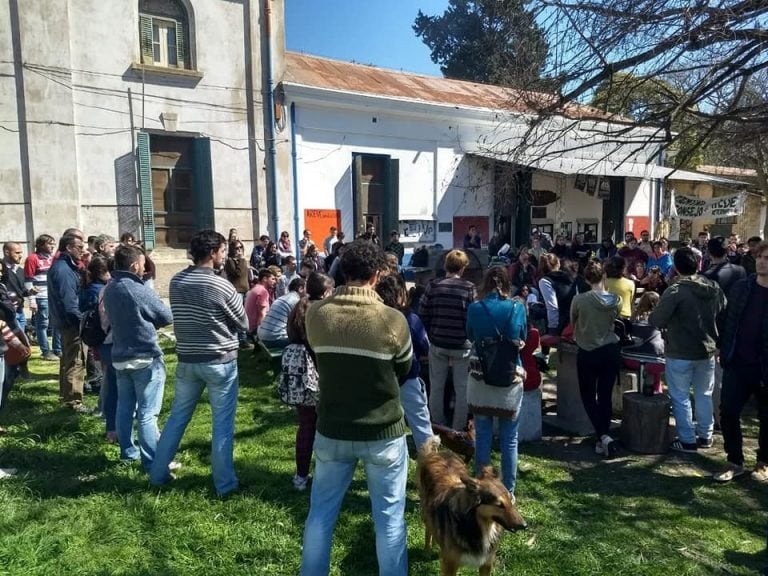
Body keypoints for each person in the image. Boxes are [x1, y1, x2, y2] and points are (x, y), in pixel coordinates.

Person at [299, 240, 412, 576]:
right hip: (383, 431)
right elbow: (404, 370)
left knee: (320, 513)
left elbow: (319, 356)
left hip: (332, 428)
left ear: (342, 271)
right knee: (389, 519)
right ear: (378, 275)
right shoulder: (393, 320)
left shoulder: (317, 314)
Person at [150, 230, 248, 497]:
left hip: (187, 359)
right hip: (220, 362)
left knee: (176, 419)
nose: (225, 256)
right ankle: (225, 484)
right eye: (223, 251)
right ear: (214, 252)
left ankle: (158, 474)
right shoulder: (221, 285)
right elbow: (243, 322)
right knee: (222, 424)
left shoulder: (176, 281)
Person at [103, 245, 173, 471]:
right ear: (134, 265)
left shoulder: (111, 286)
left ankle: (128, 453)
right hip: (143, 356)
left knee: (125, 408)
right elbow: (165, 316)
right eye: (143, 264)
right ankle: (153, 461)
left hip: (120, 356)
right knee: (147, 413)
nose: (145, 268)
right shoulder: (136, 288)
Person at [650, 247, 725, 453]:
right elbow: (723, 310)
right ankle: (705, 434)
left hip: (681, 351)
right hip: (707, 349)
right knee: (704, 394)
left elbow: (656, 319)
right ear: (698, 264)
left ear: (675, 267)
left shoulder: (676, 291)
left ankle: (687, 440)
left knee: (681, 396)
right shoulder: (713, 287)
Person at [466, 267, 527, 498]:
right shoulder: (517, 308)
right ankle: (508, 492)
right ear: (506, 283)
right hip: (510, 377)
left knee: (482, 434)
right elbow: (521, 337)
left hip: (481, 378)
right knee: (509, 438)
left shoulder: (474, 309)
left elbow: (470, 335)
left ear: (485, 283)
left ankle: (482, 487)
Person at [714, 241, 768, 482]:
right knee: (728, 411)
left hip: (764, 366)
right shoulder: (741, 287)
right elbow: (727, 319)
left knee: (766, 417)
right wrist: (722, 347)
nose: (762, 261)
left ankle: (763, 462)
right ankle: (734, 461)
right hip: (737, 361)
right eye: (760, 257)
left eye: (767, 258)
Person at [282, 272, 334, 491]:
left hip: (297, 372)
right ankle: (326, 473)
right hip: (316, 371)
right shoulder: (321, 312)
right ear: (325, 292)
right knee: (324, 426)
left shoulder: (297, 308)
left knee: (305, 425)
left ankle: (301, 475)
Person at [418, 249, 476, 431]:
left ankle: (438, 425)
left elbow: (422, 313)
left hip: (438, 342)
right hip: (461, 344)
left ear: (445, 265)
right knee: (462, 388)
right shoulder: (469, 288)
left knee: (436, 386)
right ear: (464, 267)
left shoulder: (433, 286)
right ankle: (458, 428)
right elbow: (473, 318)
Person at [570, 260, 623, 457]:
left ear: (586, 279)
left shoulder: (579, 300)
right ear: (604, 277)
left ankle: (603, 436)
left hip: (588, 350)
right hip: (610, 350)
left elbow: (572, 321)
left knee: (588, 395)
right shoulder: (616, 300)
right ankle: (604, 438)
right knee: (605, 395)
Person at [375, 274, 433, 451]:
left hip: (380, 378)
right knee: (421, 423)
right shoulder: (410, 319)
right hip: (408, 377)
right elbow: (425, 346)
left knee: (382, 424)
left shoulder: (373, 318)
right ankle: (431, 466)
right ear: (401, 294)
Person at [79, 256, 117, 442]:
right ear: (103, 273)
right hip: (103, 338)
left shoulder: (89, 287)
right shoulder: (100, 290)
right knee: (108, 379)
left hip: (96, 338)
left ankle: (102, 408)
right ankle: (104, 410)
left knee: (106, 376)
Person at [48, 234, 88, 412]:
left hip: (63, 322)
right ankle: (73, 402)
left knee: (67, 360)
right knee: (76, 361)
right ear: (69, 248)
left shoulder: (63, 266)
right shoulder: (64, 270)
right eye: (79, 247)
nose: (83, 250)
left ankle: (65, 397)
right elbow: (70, 303)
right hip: (71, 324)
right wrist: (82, 324)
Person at [24, 234, 61, 361]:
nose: (52, 246)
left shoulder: (53, 258)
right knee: (42, 325)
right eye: (49, 243)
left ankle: (58, 349)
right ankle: (45, 351)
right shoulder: (32, 259)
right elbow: (28, 281)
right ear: (40, 245)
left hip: (53, 296)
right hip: (41, 297)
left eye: (53, 244)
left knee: (57, 323)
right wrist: (32, 300)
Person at [2, 242, 33, 380]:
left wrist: (29, 292)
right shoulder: (3, 270)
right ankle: (11, 371)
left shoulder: (19, 270)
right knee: (15, 342)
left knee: (23, 340)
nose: (20, 255)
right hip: (7, 315)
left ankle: (22, 368)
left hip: (19, 312)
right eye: (17, 252)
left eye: (21, 252)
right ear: (7, 252)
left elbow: (21, 291)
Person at [623, 292, 665, 394]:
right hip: (654, 362)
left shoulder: (633, 318)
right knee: (656, 358)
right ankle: (656, 390)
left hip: (630, 359)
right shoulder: (659, 319)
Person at [257, 277, 305, 348]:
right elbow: (299, 324)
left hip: (262, 335)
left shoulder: (281, 298)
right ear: (300, 289)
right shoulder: (296, 301)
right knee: (303, 343)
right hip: (275, 339)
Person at [537, 253, 576, 336]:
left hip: (560, 321)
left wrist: (552, 329)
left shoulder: (545, 281)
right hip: (573, 318)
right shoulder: (569, 277)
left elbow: (552, 306)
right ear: (558, 264)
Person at [224, 240, 252, 349]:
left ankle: (245, 336)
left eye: (241, 247)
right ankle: (241, 339)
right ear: (232, 249)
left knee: (246, 314)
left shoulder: (242, 261)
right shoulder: (230, 261)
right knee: (238, 315)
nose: (239, 250)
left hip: (245, 290)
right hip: (237, 291)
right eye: (236, 248)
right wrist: (241, 260)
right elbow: (237, 273)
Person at [245, 268, 277, 337]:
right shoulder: (263, 292)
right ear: (265, 279)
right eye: (273, 279)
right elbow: (262, 314)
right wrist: (261, 332)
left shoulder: (255, 288)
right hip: (255, 329)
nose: (275, 282)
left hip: (249, 327)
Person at [604, 256, 635, 320]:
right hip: (625, 318)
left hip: (606, 317)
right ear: (623, 269)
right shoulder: (630, 283)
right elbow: (631, 302)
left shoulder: (603, 282)